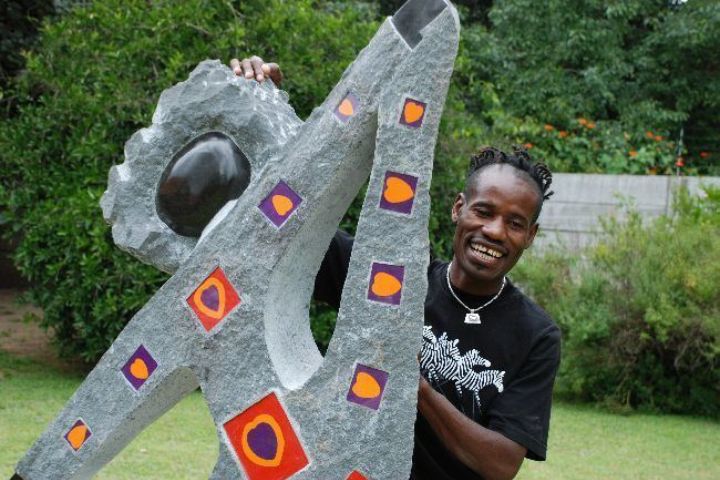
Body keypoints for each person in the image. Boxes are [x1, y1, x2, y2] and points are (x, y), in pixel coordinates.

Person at [231, 56, 561, 480]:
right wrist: (259, 113)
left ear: (530, 235)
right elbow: (291, 232)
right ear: (458, 209)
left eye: (515, 223)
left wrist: (414, 385)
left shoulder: (535, 334)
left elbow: (499, 464)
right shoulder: (390, 277)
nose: (495, 231)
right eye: (484, 211)